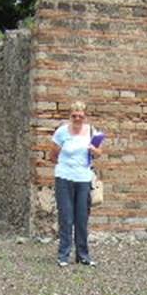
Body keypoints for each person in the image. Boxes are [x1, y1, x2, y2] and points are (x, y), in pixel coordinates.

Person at [50, 101, 103, 267]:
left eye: (80, 116)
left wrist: (94, 151)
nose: (77, 118)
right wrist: (66, 165)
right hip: (64, 178)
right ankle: (63, 255)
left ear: (85, 116)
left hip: (84, 179)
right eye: (74, 115)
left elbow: (99, 153)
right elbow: (53, 155)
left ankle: (83, 255)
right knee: (65, 217)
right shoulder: (61, 132)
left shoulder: (92, 132)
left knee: (81, 218)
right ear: (70, 116)